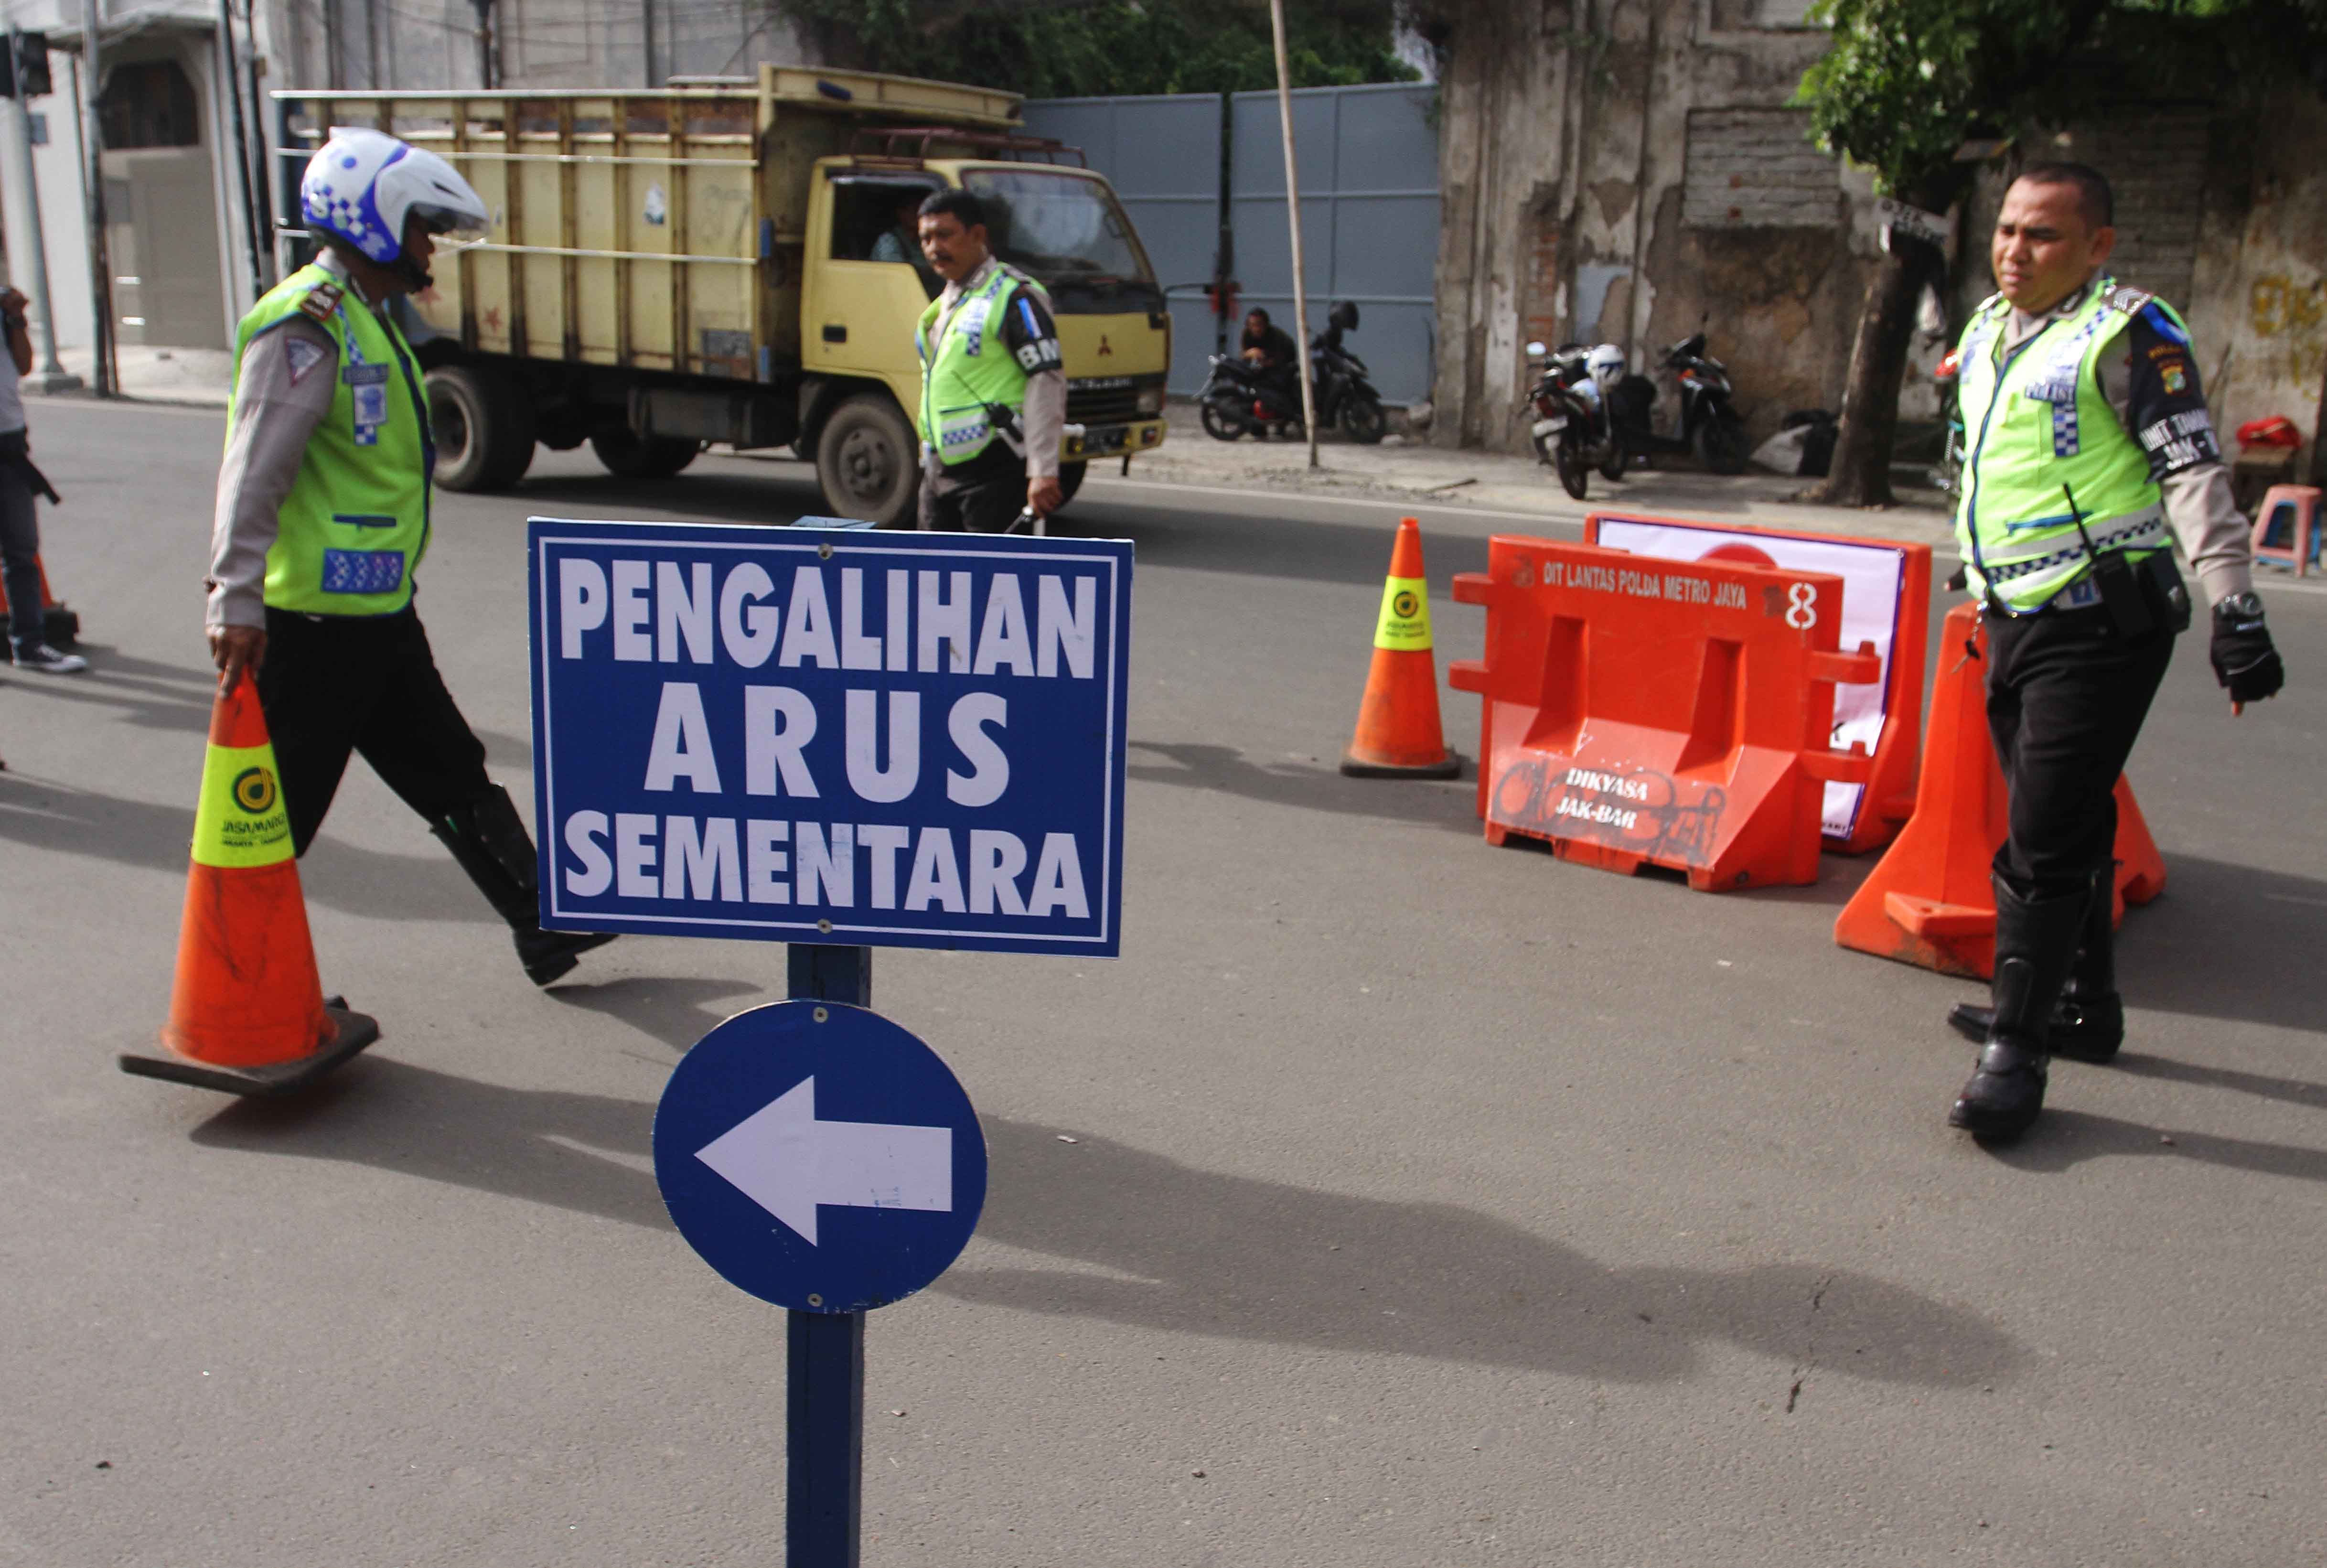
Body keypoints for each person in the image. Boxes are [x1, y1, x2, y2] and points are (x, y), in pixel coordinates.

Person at [205, 128, 614, 987]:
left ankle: (543, 921)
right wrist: (235, 598)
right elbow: (255, 470)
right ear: (376, 222)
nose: (430, 246)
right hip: (313, 625)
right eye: (422, 228)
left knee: (449, 767)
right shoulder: (308, 324)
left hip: (377, 615)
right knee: (276, 815)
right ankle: (237, 986)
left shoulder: (365, 319)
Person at [1942, 162, 2283, 1140]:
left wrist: (2234, 605)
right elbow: (1994, 467)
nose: (2014, 251)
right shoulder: (1985, 328)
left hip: (2099, 622)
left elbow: (2190, 471)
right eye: (2006, 229)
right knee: (2065, 818)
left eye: (2041, 235)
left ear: (2096, 247)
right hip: (2012, 615)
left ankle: (2015, 1052)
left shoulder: (2130, 334)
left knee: (2041, 835)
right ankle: (2084, 1005)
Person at [912, 188, 1067, 533]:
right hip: (938, 472)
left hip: (994, 472)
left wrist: (1043, 470)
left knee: (990, 570)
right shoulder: (943, 306)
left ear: (978, 235)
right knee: (929, 568)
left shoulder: (1014, 296)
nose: (934, 248)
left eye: (945, 235)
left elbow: (1047, 380)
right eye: (925, 239)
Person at [0, 283, 83, 674]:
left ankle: (29, 646)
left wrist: (16, 319)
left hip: (10, 445)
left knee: (22, 551)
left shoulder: (4, 315)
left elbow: (23, 365)